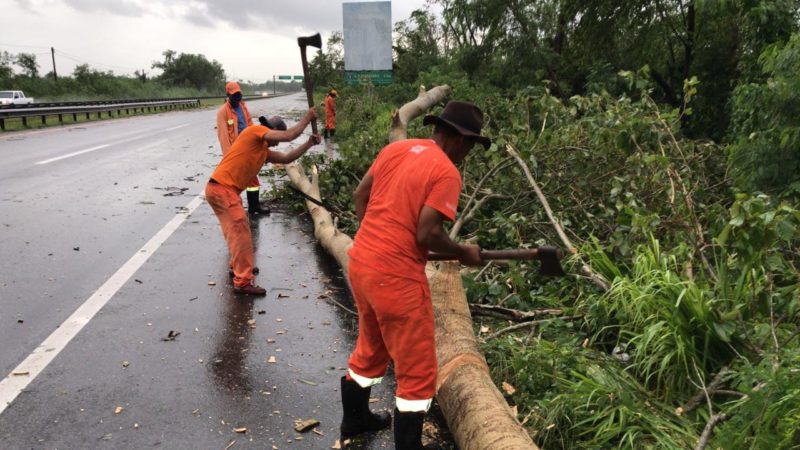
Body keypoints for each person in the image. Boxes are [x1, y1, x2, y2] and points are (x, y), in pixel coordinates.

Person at [341, 101, 490, 449]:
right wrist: (462, 251)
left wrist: (377, 237)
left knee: (372, 345)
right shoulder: (447, 172)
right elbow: (427, 234)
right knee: (418, 373)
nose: (467, 153)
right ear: (457, 138)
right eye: (469, 145)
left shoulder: (397, 149)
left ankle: (355, 419)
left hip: (361, 262)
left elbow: (359, 194)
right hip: (396, 278)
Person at [206, 108, 320, 296]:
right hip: (223, 190)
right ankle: (242, 282)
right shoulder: (254, 132)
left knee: (237, 233)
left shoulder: (262, 151)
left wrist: (308, 144)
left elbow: (286, 158)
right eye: (276, 134)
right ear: (273, 131)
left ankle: (239, 266)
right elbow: (289, 135)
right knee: (240, 232)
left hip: (220, 190)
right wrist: (307, 118)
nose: (276, 141)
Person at [216, 81, 270, 216]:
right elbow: (223, 137)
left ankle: (252, 206)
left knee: (251, 177)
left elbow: (250, 125)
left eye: (239, 94)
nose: (238, 98)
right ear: (228, 95)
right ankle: (245, 207)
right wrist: (229, 157)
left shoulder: (243, 107)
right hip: (236, 152)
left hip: (248, 147)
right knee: (238, 180)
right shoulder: (223, 112)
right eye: (234, 95)